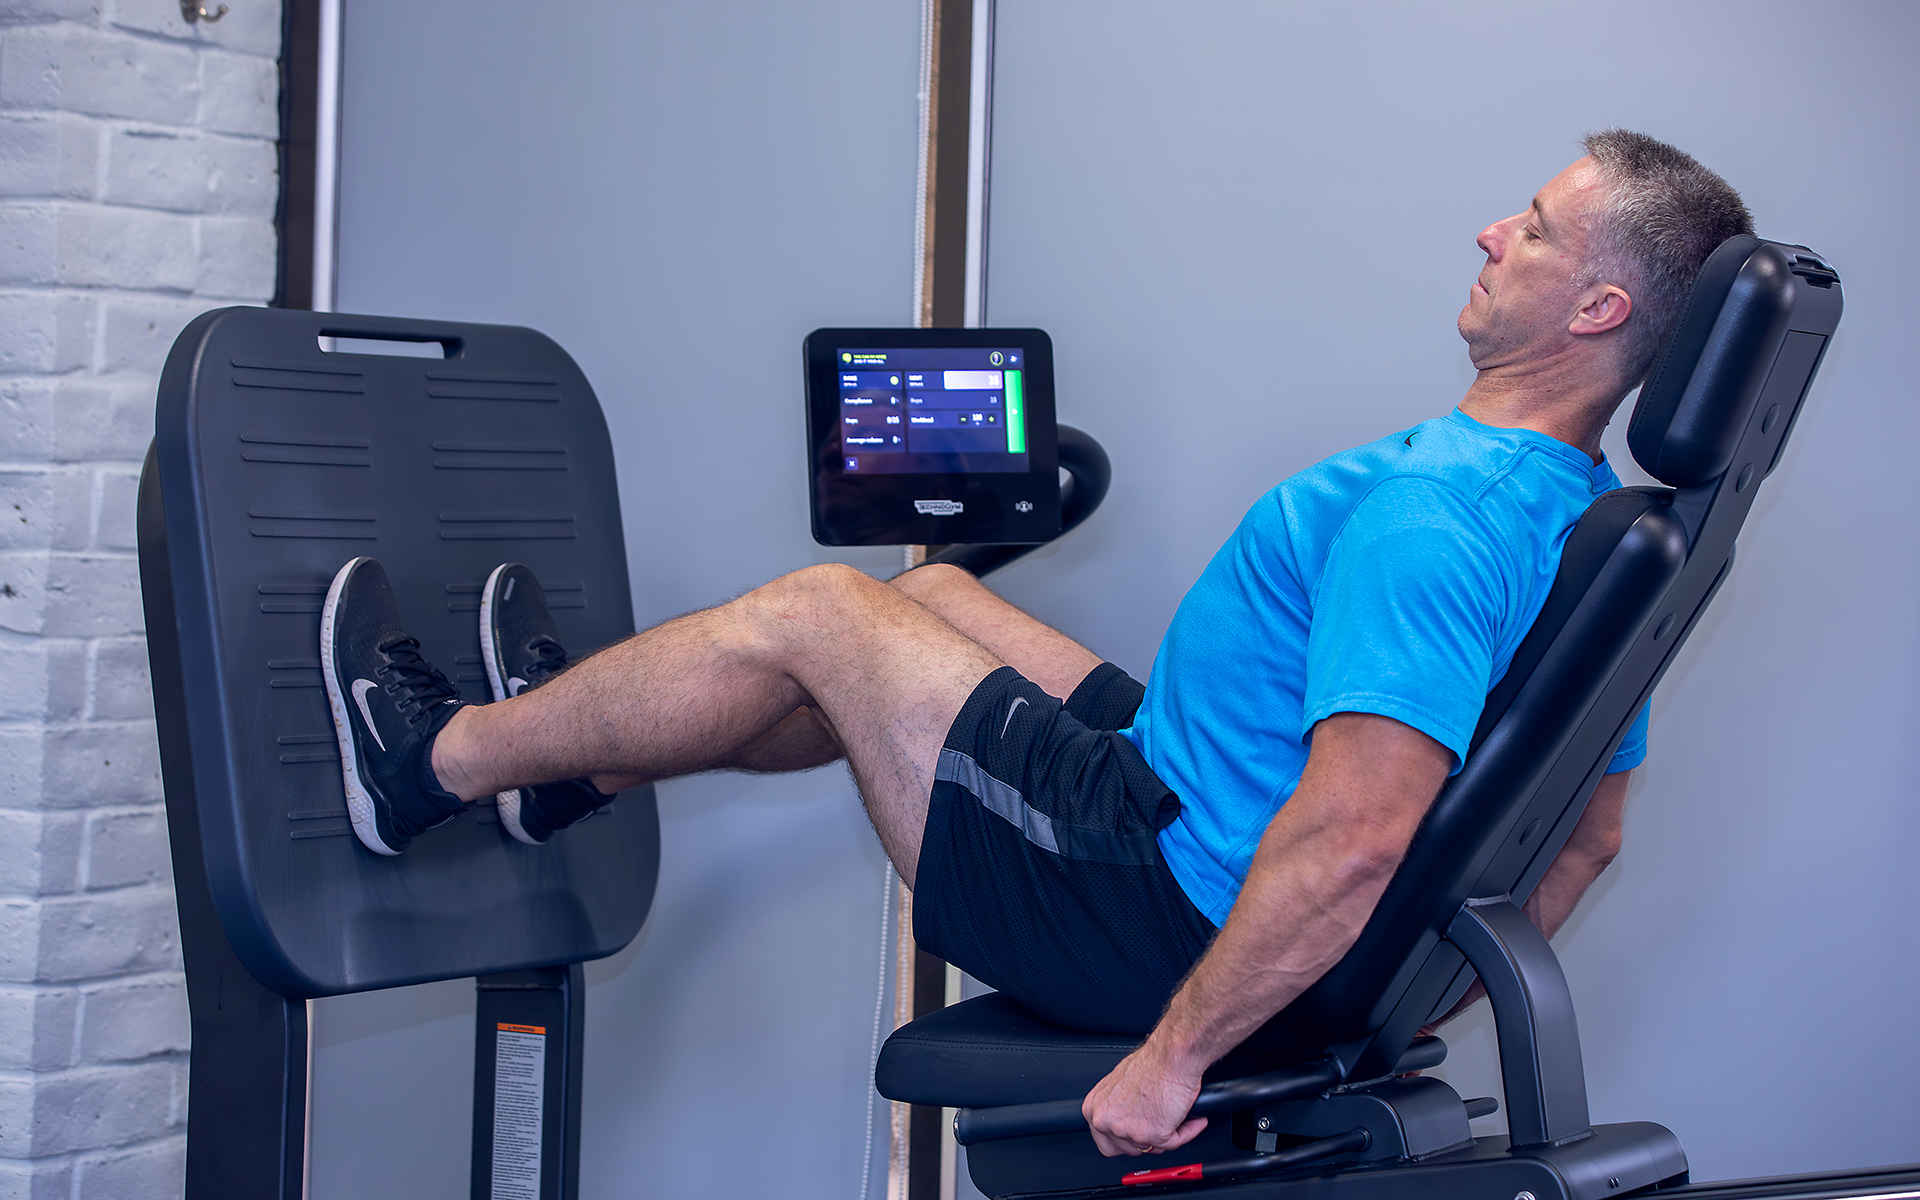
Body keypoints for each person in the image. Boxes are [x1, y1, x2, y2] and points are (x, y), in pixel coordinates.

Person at [318, 129, 1753, 1159]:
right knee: (934, 599)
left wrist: (1187, 1050)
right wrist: (1384, 999)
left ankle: (430, 763)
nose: (1493, 233)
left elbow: (1355, 839)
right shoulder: (1582, 521)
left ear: (1600, 309)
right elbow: (1585, 839)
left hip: (1147, 898)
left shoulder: (1438, 521)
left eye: (1535, 229)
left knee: (824, 613)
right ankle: (569, 764)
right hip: (1187, 790)